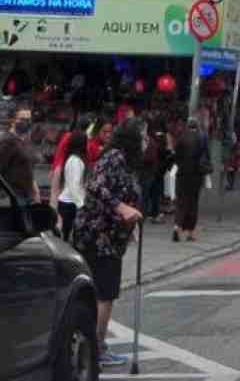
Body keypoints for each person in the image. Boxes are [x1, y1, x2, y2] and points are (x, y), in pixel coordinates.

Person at [74, 116, 145, 372]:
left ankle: (93, 346)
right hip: (98, 236)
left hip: (109, 237)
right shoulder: (114, 157)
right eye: (143, 136)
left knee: (103, 292)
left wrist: (130, 222)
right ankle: (97, 348)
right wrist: (121, 207)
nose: (147, 142)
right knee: (105, 293)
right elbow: (95, 187)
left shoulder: (125, 163)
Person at [171, 118, 208, 243]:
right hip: (195, 176)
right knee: (192, 204)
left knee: (181, 203)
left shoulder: (181, 138)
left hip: (181, 175)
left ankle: (176, 227)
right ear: (197, 127)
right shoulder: (201, 138)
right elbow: (205, 157)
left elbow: (175, 157)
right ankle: (190, 233)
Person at [0, 129, 39, 203]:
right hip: (13, 192)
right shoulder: (9, 143)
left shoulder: (25, 145)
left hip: (25, 193)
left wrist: (34, 190)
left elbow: (28, 169)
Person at [137, 115, 166, 223]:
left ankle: (148, 213)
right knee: (147, 193)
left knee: (148, 193)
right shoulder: (147, 139)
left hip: (150, 170)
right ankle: (146, 214)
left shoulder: (151, 139)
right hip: (148, 171)